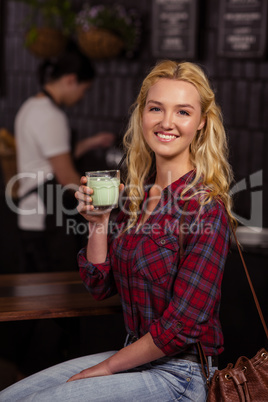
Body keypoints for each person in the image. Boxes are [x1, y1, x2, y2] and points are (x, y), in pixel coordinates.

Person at [0, 60, 236, 401]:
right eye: (156, 108)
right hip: (134, 357)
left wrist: (107, 368)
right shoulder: (135, 198)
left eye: (183, 112)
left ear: (201, 123)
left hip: (182, 374)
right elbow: (100, 285)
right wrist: (98, 223)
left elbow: (183, 326)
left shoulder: (205, 208)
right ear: (142, 116)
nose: (166, 122)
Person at [15, 42, 115, 272]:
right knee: (53, 297)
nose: (82, 96)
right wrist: (104, 205)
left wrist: (92, 142)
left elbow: (51, 155)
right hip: (46, 219)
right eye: (85, 89)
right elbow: (66, 175)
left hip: (30, 216)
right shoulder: (52, 116)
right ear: (71, 80)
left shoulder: (31, 106)